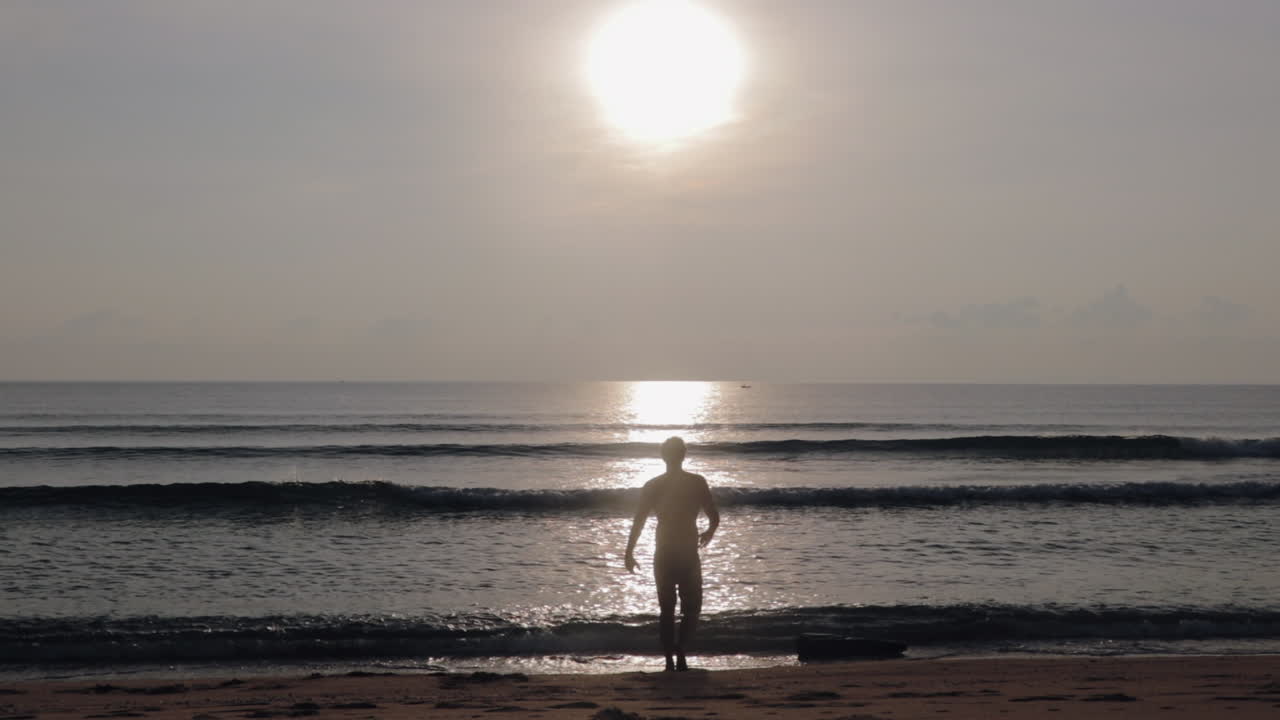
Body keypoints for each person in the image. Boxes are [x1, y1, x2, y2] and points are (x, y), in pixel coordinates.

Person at [624, 436, 720, 671]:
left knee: (666, 609)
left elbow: (639, 520)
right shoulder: (697, 482)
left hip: (664, 551)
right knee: (692, 607)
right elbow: (714, 515)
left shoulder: (653, 485)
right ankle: (681, 650)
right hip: (687, 551)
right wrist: (709, 531)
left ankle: (669, 657)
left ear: (663, 456)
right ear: (683, 455)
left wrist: (629, 552)